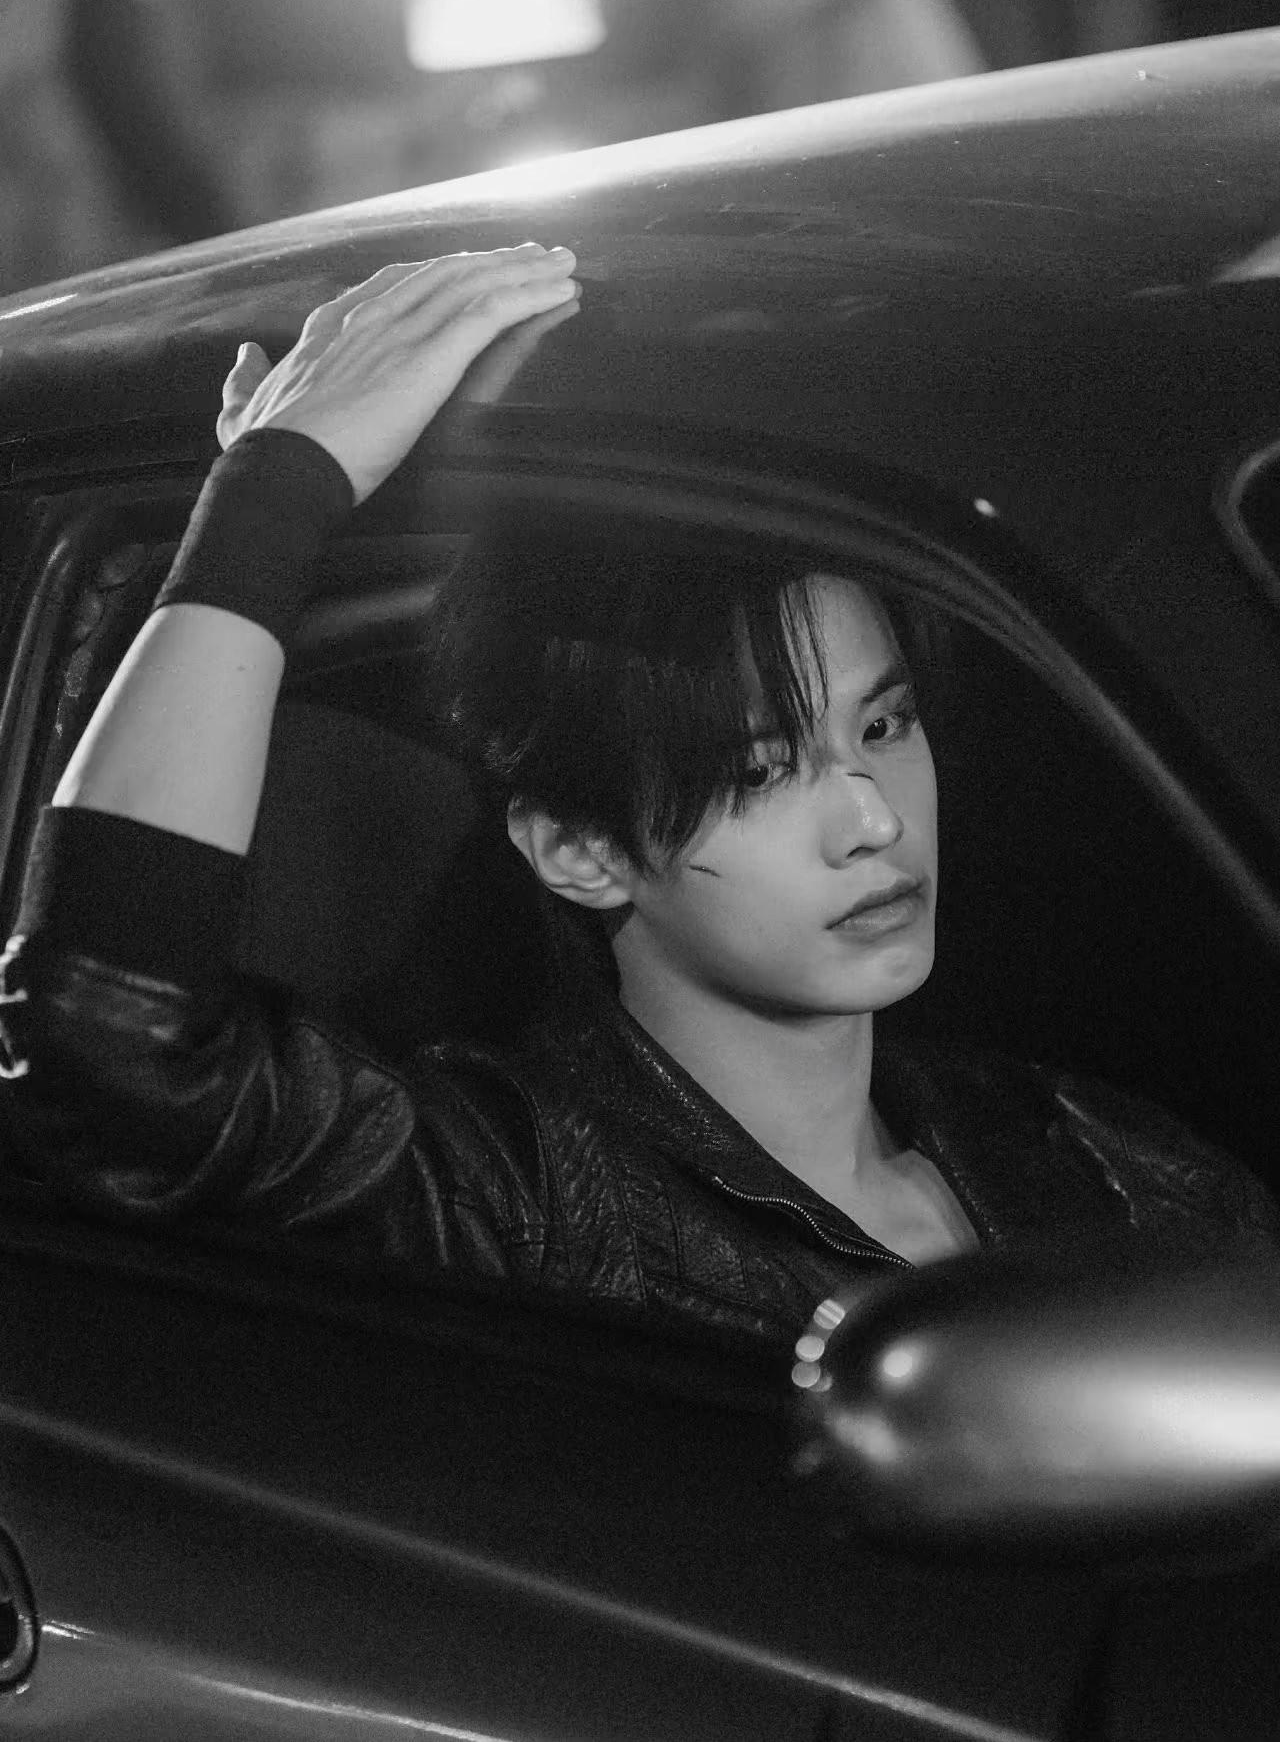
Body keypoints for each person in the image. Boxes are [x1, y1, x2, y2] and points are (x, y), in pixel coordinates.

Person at [2, 250, 1276, 1352]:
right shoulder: (522, 1199)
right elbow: (113, 1046)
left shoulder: (1098, 1155)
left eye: (882, 726)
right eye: (759, 771)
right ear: (577, 849)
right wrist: (276, 491)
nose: (875, 821)